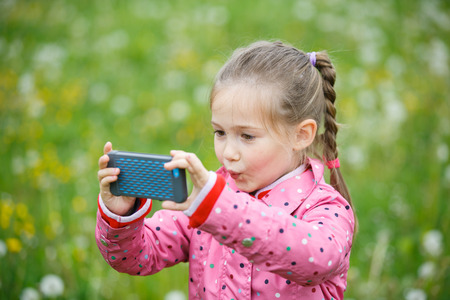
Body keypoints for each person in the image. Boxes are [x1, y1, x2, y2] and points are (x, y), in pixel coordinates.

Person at [96, 40, 356, 300]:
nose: (228, 153)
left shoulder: (325, 207)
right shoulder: (206, 199)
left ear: (301, 135)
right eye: (220, 132)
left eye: (247, 136)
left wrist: (218, 208)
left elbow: (318, 260)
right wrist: (121, 216)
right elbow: (138, 257)